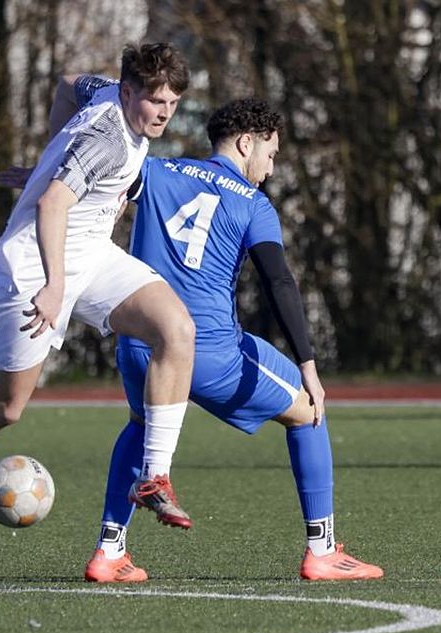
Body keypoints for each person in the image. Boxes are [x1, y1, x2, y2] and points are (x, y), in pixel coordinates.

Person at [83, 98, 384, 582]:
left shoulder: (157, 171)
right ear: (247, 142)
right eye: (271, 152)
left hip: (138, 347)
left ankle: (109, 551)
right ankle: (322, 551)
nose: (270, 166)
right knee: (309, 410)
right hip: (208, 353)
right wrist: (308, 363)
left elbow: (98, 183)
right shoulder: (252, 203)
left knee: (142, 425)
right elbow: (279, 282)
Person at [0, 43, 197, 558]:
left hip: (90, 253)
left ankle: (155, 477)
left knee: (176, 329)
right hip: (31, 267)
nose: (164, 114)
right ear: (129, 91)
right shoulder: (108, 140)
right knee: (7, 407)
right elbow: (52, 203)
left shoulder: (107, 92)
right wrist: (54, 283)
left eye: (173, 104)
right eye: (156, 102)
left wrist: (51, 161)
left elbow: (68, 83)